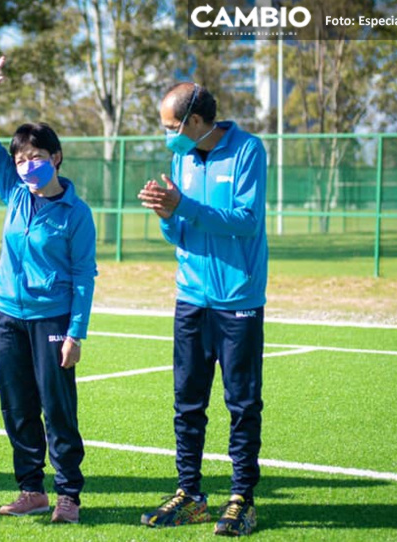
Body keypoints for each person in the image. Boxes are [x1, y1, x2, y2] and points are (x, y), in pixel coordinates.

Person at [137, 82, 268, 537]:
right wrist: (167, 215)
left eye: (171, 127)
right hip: (191, 297)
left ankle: (242, 499)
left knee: (242, 403)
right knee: (187, 402)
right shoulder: (182, 157)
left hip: (238, 300)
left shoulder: (249, 150)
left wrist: (184, 206)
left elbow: (247, 223)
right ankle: (190, 495)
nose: (167, 136)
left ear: (195, 121)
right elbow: (180, 233)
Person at [0, 56, 97, 524]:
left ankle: (68, 495)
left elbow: (85, 276)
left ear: (56, 157)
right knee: (17, 406)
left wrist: (75, 333)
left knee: (57, 409)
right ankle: (31, 489)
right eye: (21, 159)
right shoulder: (15, 192)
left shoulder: (75, 213)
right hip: (7, 315)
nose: (27, 166)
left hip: (51, 318)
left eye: (36, 157)